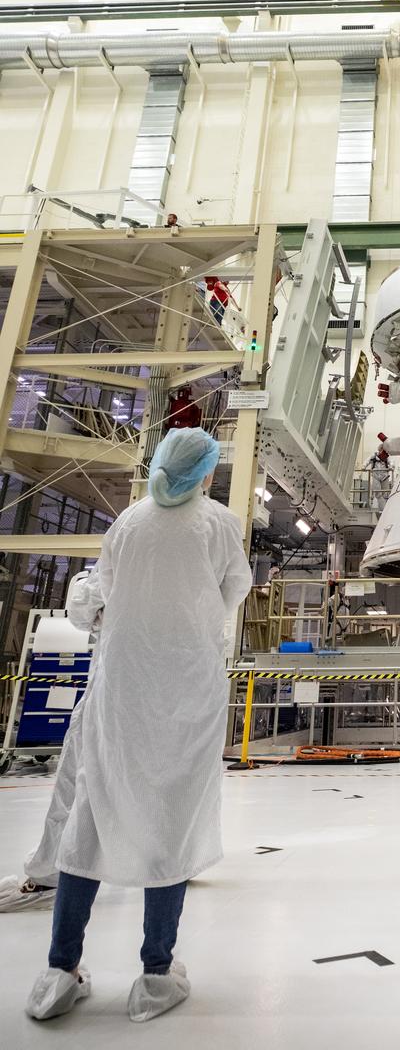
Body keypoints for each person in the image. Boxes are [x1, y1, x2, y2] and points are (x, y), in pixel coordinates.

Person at [25, 427, 252, 1024]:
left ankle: (59, 968)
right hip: (186, 690)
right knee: (168, 824)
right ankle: (155, 974)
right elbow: (233, 592)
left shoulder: (128, 522)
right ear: (207, 471)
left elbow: (98, 595)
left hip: (120, 692)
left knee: (92, 819)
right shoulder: (219, 524)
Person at [0, 569, 105, 913]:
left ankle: (48, 874)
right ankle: (170, 870)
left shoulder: (127, 544)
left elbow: (81, 607)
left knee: (74, 787)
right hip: (162, 699)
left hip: (109, 696)